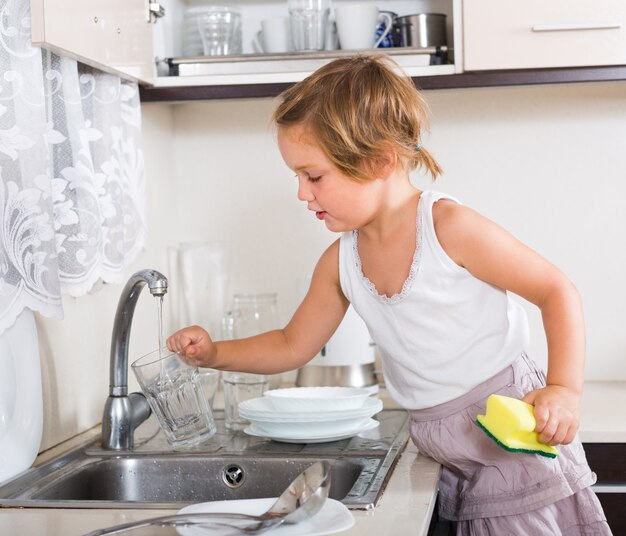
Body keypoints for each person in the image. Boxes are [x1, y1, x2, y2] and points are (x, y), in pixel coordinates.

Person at [167, 54, 610, 534]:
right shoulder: (340, 261)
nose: (301, 193)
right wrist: (214, 353)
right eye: (296, 177)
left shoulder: (449, 228)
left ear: (379, 160)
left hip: (508, 431)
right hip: (440, 443)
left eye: (313, 176)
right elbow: (293, 344)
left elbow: (556, 290)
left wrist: (565, 390)